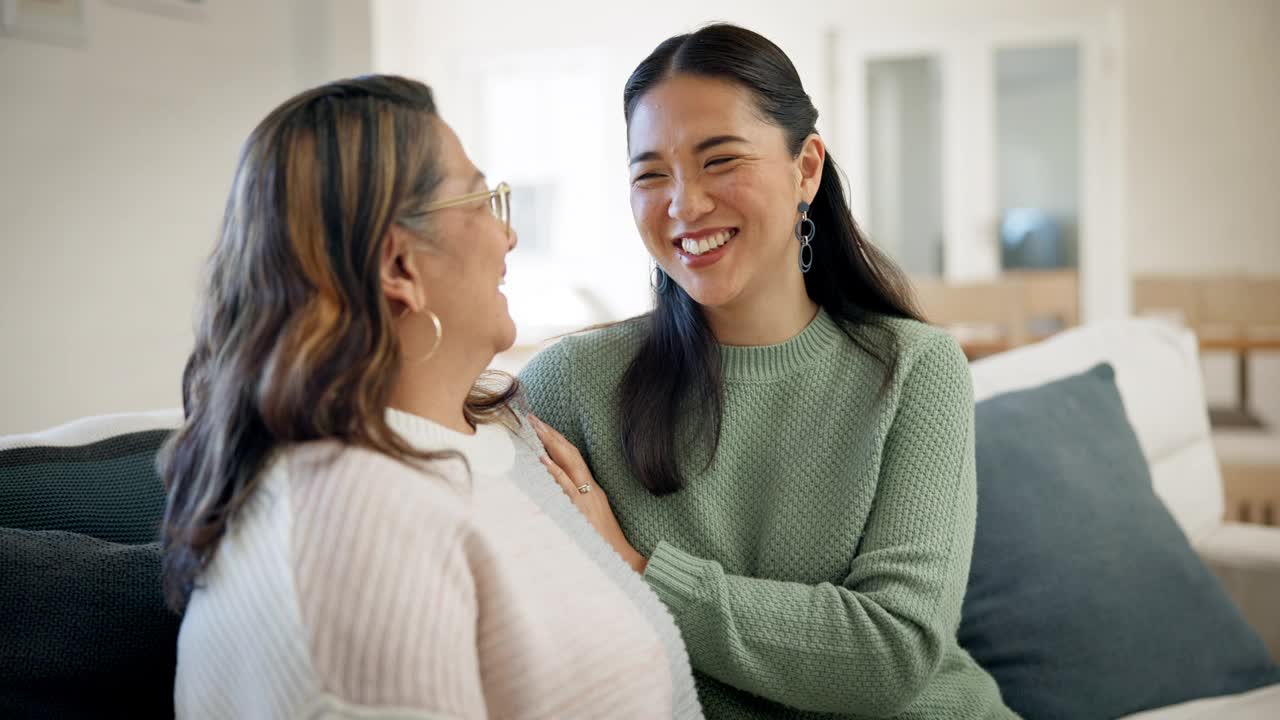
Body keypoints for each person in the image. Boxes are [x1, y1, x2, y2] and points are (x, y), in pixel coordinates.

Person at [160, 75, 700, 719]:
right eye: (479, 201)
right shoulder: (356, 525)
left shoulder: (496, 433)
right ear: (398, 268)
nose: (508, 236)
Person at [520, 24, 1017, 719]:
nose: (684, 204)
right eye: (650, 174)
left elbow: (893, 652)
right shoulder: (569, 386)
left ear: (806, 169)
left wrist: (640, 571)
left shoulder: (915, 370)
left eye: (719, 160)